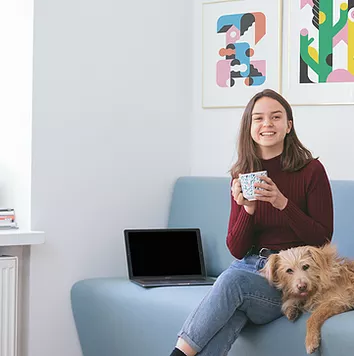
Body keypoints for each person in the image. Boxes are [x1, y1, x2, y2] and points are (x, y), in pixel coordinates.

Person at [169, 89, 333, 356]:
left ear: (288, 125)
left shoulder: (311, 170)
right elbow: (236, 249)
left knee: (231, 284)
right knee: (230, 313)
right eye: (258, 118)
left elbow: (321, 239)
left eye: (275, 117)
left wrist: (283, 204)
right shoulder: (242, 173)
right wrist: (248, 209)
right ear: (249, 127)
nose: (267, 124)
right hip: (248, 268)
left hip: (287, 277)